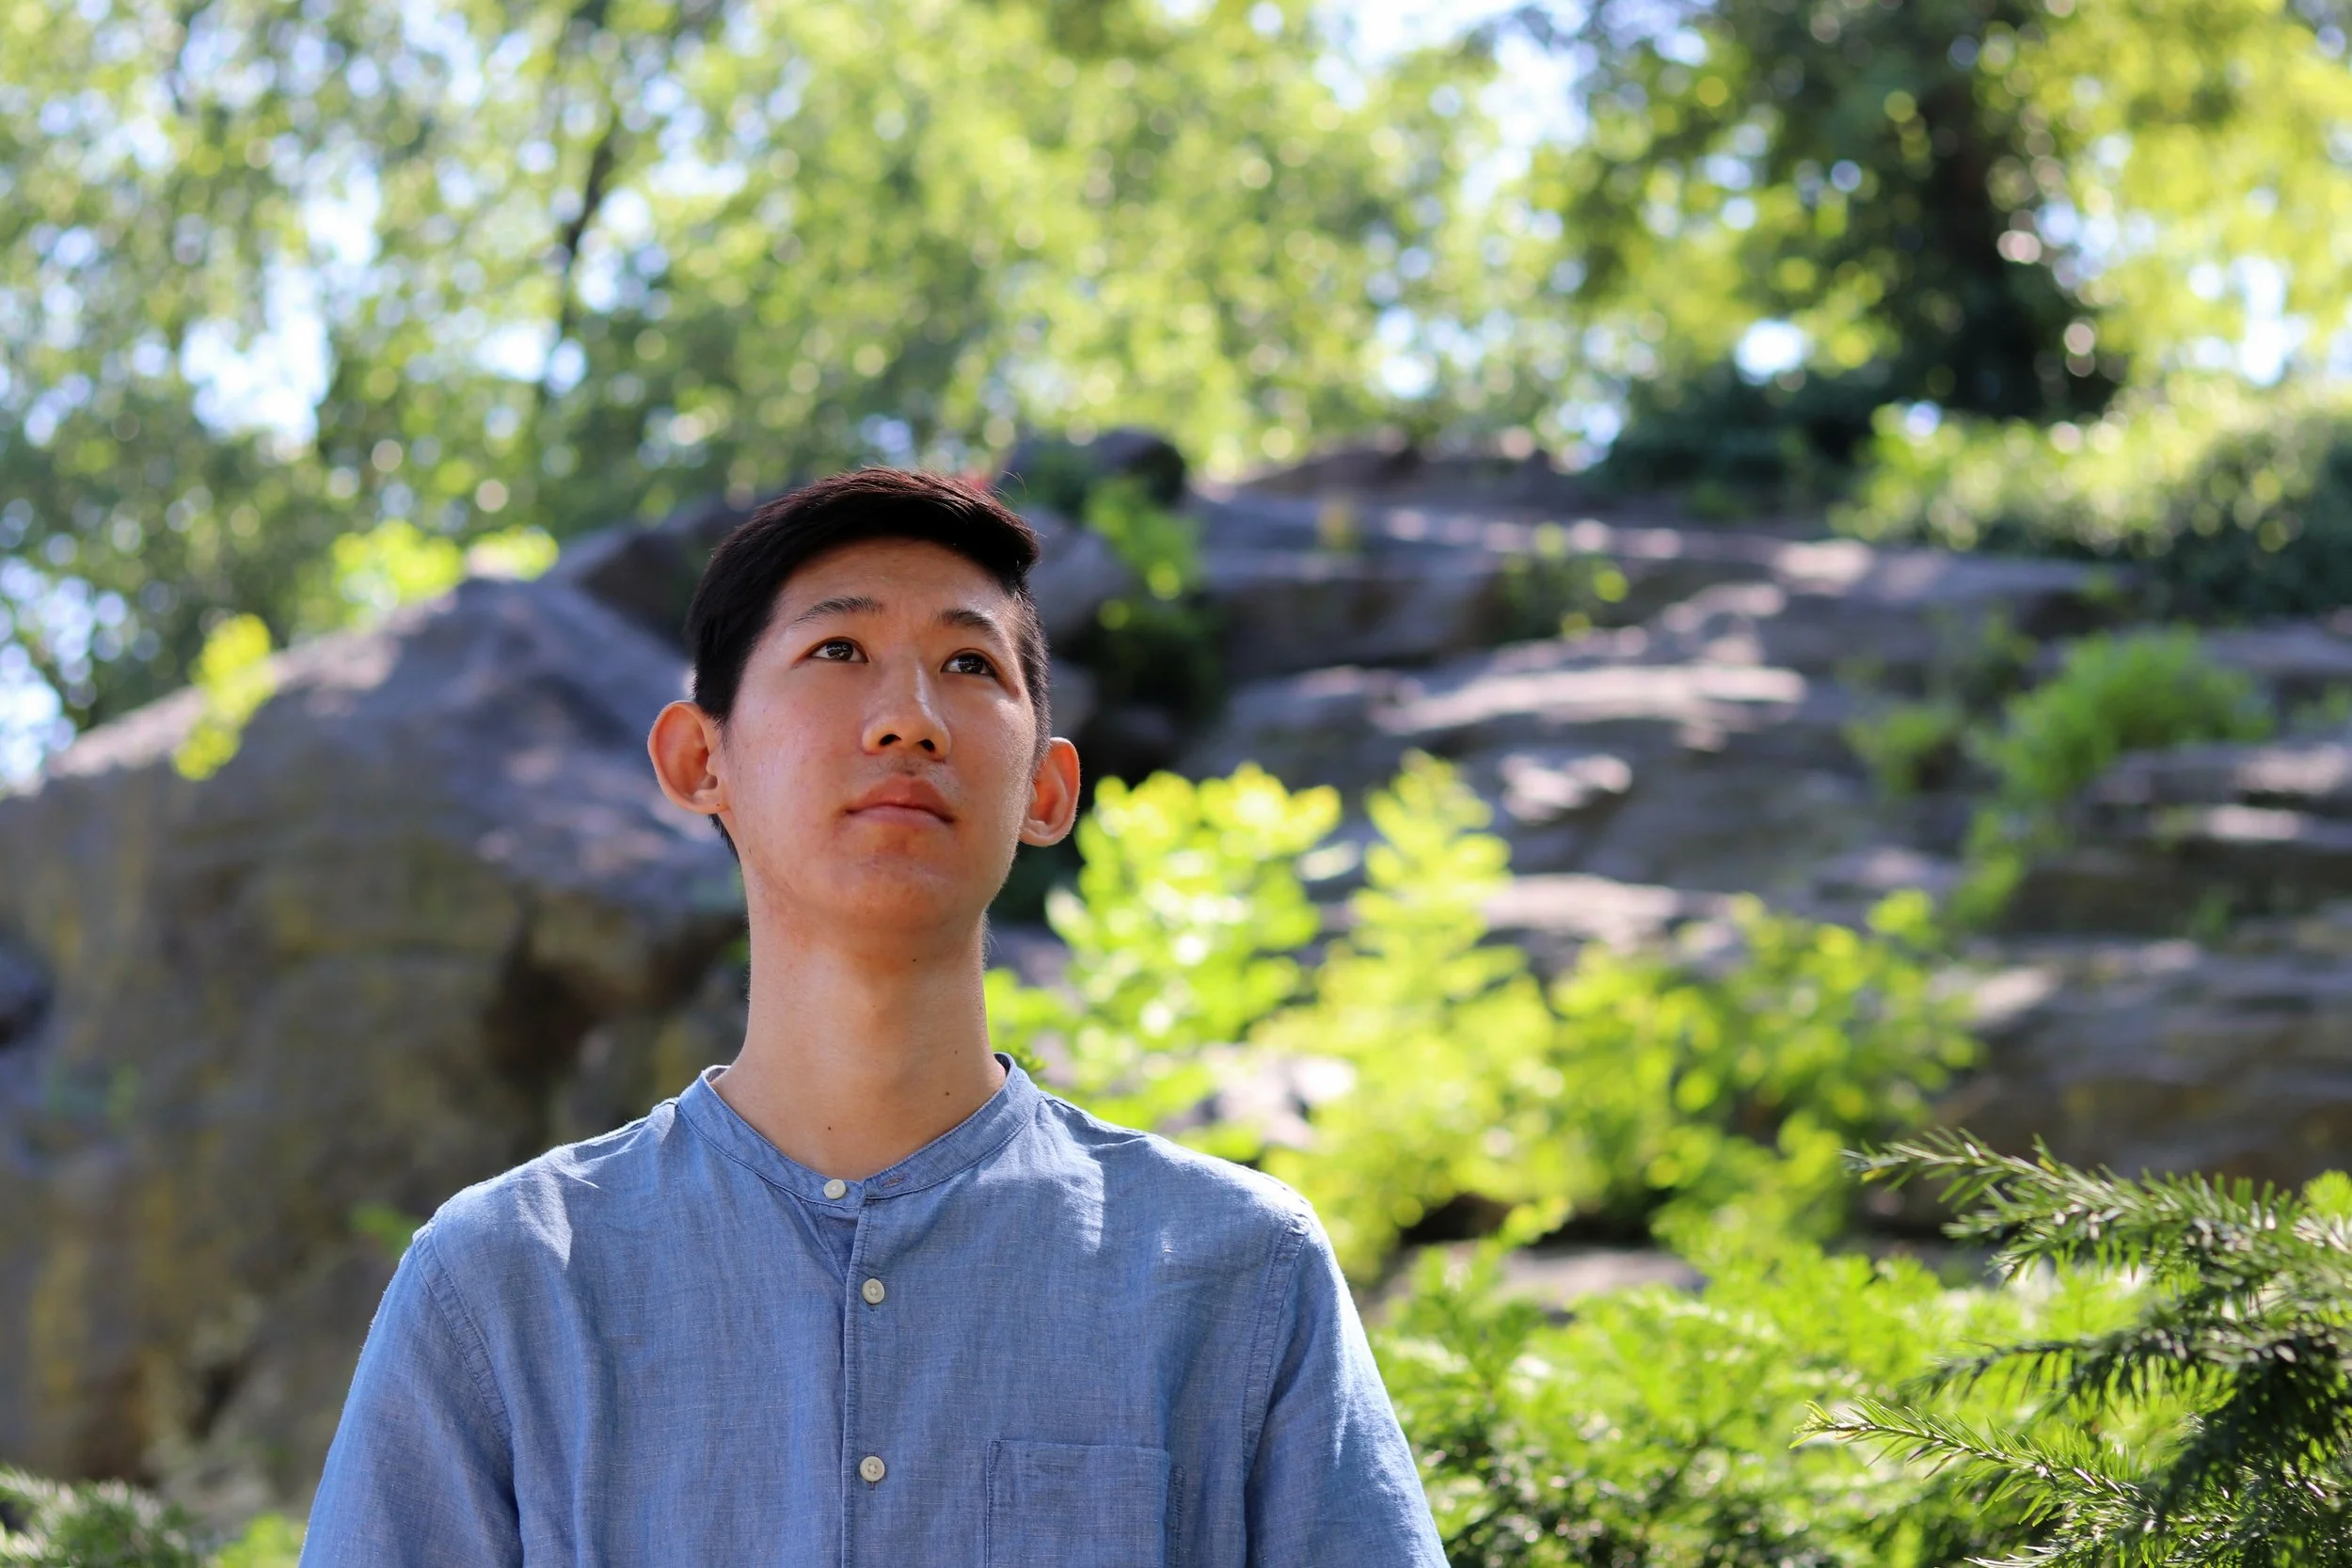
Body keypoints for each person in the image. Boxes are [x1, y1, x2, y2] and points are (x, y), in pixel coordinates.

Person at [299, 467, 1444, 1566]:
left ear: (1046, 789)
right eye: (838, 650)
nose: (909, 720)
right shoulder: (504, 1284)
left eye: (967, 663)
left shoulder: (1237, 1271)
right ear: (700, 757)